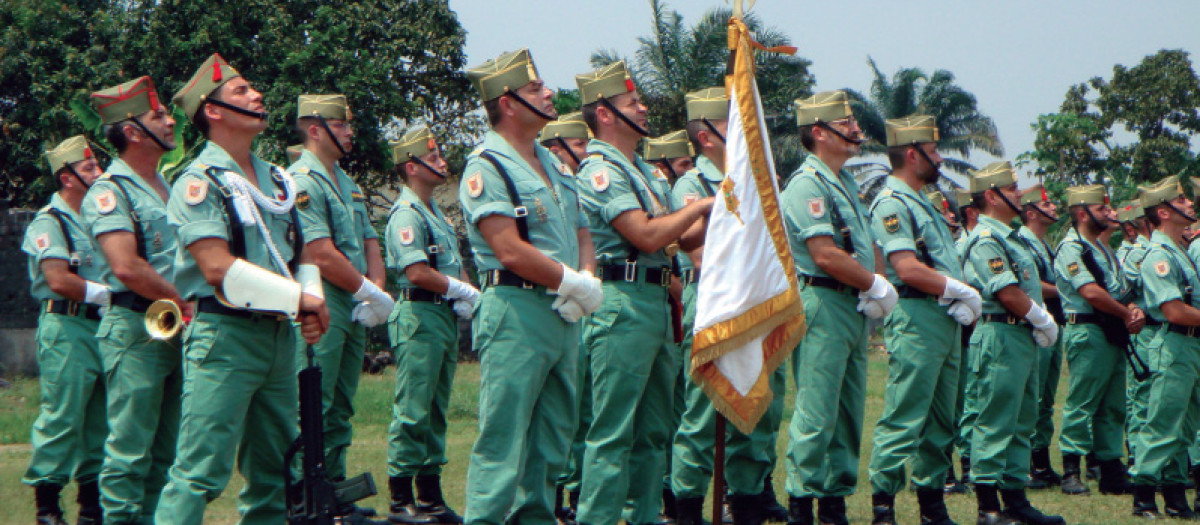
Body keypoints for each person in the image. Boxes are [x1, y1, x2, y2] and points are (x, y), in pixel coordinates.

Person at [154, 53, 329, 525]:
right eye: (241, 91)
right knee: (200, 472)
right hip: (223, 336)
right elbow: (217, 268)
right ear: (212, 110)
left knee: (275, 471)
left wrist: (312, 299)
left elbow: (302, 254)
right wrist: (300, 299)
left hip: (276, 338)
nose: (257, 96)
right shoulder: (198, 180)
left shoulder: (276, 179)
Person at [459, 48, 600, 525]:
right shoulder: (487, 166)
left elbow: (582, 228)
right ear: (509, 102)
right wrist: (573, 283)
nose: (548, 93)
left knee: (552, 438)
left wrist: (586, 279)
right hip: (516, 309)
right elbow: (509, 250)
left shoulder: (554, 163)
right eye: (536, 87)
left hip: (562, 312)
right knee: (504, 435)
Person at [571, 60, 713, 525]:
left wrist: (726, 213)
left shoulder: (645, 173)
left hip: (654, 303)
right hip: (621, 302)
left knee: (655, 432)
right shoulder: (600, 170)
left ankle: (645, 516)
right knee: (613, 432)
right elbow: (647, 235)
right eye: (634, 101)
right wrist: (704, 206)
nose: (645, 107)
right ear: (606, 113)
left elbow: (678, 240)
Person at [669, 86, 787, 525]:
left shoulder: (755, 181)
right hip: (717, 306)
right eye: (735, 124)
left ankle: (748, 498)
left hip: (755, 304)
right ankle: (687, 506)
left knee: (756, 405)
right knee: (704, 412)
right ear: (706, 137)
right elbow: (696, 252)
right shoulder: (691, 185)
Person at [779, 91, 896, 525]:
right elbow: (825, 254)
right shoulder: (807, 183)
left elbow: (865, 246)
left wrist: (873, 283)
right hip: (823, 299)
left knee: (848, 409)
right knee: (818, 407)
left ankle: (834, 500)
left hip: (851, 303)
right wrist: (875, 284)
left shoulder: (843, 180)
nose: (856, 129)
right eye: (845, 123)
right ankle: (801, 502)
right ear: (818, 132)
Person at [82, 76, 188, 524]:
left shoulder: (170, 186)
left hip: (175, 324)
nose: (169, 122)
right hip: (136, 326)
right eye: (158, 116)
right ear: (131, 131)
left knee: (167, 450)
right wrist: (186, 301)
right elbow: (126, 267)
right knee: (129, 449)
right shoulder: (110, 191)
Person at [866, 115, 980, 525]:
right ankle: (884, 506)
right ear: (912, 154)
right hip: (916, 314)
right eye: (932, 152)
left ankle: (933, 503)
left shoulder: (926, 201)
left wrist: (956, 294)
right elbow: (907, 267)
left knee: (941, 417)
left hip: (942, 316)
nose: (939, 158)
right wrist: (960, 290)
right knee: (906, 412)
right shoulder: (892, 202)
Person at [289, 94, 392, 521]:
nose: (350, 132)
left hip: (353, 296)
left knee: (342, 402)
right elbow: (319, 251)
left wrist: (377, 290)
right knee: (313, 402)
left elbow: (369, 239)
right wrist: (367, 289)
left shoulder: (346, 182)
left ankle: (334, 488)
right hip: (325, 294)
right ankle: (301, 495)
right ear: (316, 129)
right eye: (342, 124)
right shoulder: (302, 179)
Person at [960, 161, 1063, 525]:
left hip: (1022, 335)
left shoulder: (1011, 235)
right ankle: (988, 507)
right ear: (991, 195)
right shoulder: (986, 238)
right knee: (995, 418)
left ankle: (1016, 499)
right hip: (1002, 333)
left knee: (1022, 419)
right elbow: (1005, 290)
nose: (1020, 194)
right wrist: (1041, 317)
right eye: (1012, 188)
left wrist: (1035, 322)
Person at [385, 126, 479, 524]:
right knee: (413, 407)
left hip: (438, 315)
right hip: (419, 314)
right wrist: (461, 289)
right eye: (434, 156)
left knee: (436, 408)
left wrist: (455, 295)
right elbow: (417, 271)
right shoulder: (407, 213)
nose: (443, 162)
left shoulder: (433, 211)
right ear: (412, 167)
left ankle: (430, 494)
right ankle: (400, 497)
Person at [22, 136, 109, 525]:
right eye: (89, 168)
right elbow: (58, 279)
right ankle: (48, 504)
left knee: (101, 420)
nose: (100, 173)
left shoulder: (101, 217)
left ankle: (92, 506)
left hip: (103, 326)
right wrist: (110, 294)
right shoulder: (49, 221)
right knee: (63, 416)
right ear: (67, 177)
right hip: (68, 326)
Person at [1053, 185, 1143, 496]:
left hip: (1110, 329)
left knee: (1113, 404)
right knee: (1083, 402)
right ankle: (1071, 470)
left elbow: (1115, 290)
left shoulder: (1102, 249)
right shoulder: (1072, 248)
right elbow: (1090, 292)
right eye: (1102, 209)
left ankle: (1110, 470)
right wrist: (1127, 314)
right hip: (1089, 329)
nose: (1109, 213)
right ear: (1082, 213)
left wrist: (1129, 309)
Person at [1129, 178, 1200, 519]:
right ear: (1163, 211)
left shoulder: (1179, 251)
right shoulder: (1158, 255)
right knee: (1162, 422)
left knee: (1184, 426)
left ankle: (1174, 495)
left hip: (1191, 344)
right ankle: (1143, 495)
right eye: (1181, 199)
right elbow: (1173, 309)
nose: (1189, 204)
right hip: (1175, 344)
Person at [1013, 186, 1064, 490]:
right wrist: (1064, 290)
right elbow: (1029, 284)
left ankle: (1042, 461)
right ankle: (1030, 463)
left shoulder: (1044, 244)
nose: (1054, 207)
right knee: (1033, 395)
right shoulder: (1022, 242)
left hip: (1052, 322)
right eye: (1047, 204)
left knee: (1046, 395)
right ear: (1031, 213)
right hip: (1035, 323)